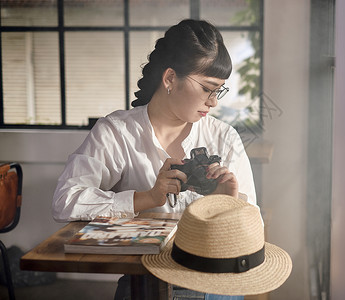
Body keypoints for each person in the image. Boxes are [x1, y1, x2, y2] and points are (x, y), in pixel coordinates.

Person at [52, 19, 257, 300]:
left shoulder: (224, 137)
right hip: (145, 280)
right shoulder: (117, 132)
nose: (214, 102)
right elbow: (65, 202)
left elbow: (250, 233)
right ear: (170, 78)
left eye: (219, 90)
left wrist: (229, 204)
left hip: (215, 284)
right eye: (208, 88)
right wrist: (147, 198)